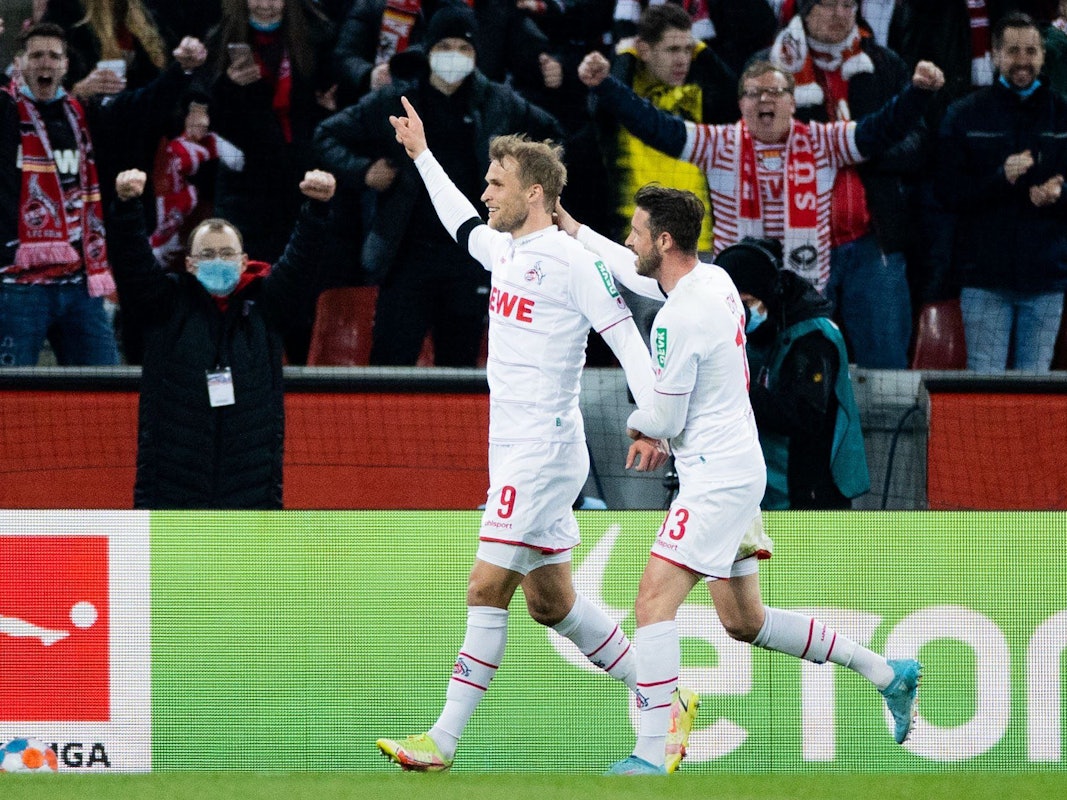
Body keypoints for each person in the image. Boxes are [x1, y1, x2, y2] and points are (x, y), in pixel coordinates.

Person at [375, 97, 699, 773]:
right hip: (515, 450)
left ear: (533, 193)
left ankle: (442, 740)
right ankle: (664, 696)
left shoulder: (573, 262)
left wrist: (655, 420)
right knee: (551, 604)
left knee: (483, 587)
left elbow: (627, 340)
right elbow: (459, 221)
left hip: (542, 452)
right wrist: (421, 154)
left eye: (496, 183)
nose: (485, 193)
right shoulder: (506, 249)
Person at [553, 184, 920, 776]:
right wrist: (575, 229)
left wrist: (638, 424)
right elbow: (630, 268)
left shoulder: (677, 319)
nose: (629, 240)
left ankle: (651, 752)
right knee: (746, 621)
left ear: (663, 241)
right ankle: (886, 673)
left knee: (652, 604)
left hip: (714, 482)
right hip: (737, 469)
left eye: (637, 232)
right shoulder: (716, 280)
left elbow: (667, 418)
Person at [577, 52, 945, 299]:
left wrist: (918, 93)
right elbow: (655, 126)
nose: (765, 100)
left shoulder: (824, 141)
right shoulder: (717, 144)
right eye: (754, 93)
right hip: (735, 296)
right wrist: (607, 85)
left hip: (804, 295)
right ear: (741, 104)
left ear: (792, 102)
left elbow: (880, 130)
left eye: (775, 92)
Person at [315, 5, 563, 366]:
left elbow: (554, 139)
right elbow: (326, 136)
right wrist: (364, 171)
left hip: (470, 256)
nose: (454, 55)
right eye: (445, 46)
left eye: (464, 48)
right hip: (406, 255)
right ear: (428, 49)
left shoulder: (498, 101)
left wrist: (523, 189)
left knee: (458, 371)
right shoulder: (396, 100)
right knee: (389, 368)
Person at [106, 166, 336, 508]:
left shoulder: (267, 306)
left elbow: (302, 264)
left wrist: (316, 212)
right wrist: (126, 209)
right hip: (170, 495)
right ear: (189, 264)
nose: (219, 261)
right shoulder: (165, 305)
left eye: (227, 254)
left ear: (244, 261)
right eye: (208, 254)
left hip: (252, 497)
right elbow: (132, 264)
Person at [757, 0, 922, 368]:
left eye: (848, 4)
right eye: (828, 4)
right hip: (795, 245)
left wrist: (860, 148)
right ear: (804, 9)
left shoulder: (883, 64)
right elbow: (748, 141)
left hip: (873, 242)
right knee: (798, 363)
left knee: (886, 365)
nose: (839, 14)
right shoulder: (770, 67)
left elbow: (918, 141)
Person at [935, 12, 1067, 372]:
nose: (1023, 60)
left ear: (1043, 55)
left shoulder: (1062, 114)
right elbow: (947, 193)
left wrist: (1060, 191)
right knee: (986, 387)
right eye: (1012, 51)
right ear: (995, 55)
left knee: (1035, 391)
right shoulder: (964, 114)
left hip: (1046, 281)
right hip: (985, 281)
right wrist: (999, 178)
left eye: (1031, 51)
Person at [714, 236, 869, 509]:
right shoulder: (743, 332)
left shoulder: (814, 338)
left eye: (746, 302)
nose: (741, 314)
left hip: (811, 492)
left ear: (769, 294)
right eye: (732, 305)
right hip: (764, 488)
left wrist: (736, 385)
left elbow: (803, 416)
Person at [594, 2, 736, 250]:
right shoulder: (626, 92)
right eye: (672, 50)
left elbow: (736, 99)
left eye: (687, 49)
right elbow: (605, 102)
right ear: (644, 50)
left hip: (697, 241)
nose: (682, 60)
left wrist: (702, 51)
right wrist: (626, 54)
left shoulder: (698, 91)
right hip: (634, 241)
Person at [150, 96, 245, 268]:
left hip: (201, 207)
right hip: (165, 203)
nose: (201, 121)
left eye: (204, 114)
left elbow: (237, 161)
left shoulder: (211, 143)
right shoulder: (168, 143)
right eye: (195, 114)